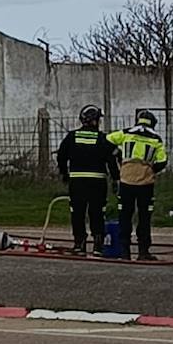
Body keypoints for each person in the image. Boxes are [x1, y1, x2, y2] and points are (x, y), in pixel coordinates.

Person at [56, 105, 119, 255]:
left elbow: (61, 156)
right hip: (97, 183)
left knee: (77, 212)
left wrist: (64, 173)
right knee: (97, 212)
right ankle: (98, 245)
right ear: (95, 121)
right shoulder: (103, 138)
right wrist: (115, 179)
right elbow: (111, 161)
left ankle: (79, 244)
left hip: (77, 182)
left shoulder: (71, 137)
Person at [108, 109, 168, 261]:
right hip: (146, 184)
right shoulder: (156, 139)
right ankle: (143, 251)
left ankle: (124, 252)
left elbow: (106, 141)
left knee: (125, 216)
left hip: (126, 181)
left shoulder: (126, 133)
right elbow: (162, 161)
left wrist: (118, 154)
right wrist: (150, 170)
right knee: (144, 218)